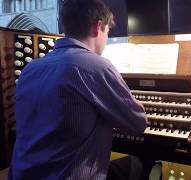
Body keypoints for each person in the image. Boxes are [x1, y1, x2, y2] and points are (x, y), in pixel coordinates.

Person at [8, 0, 148, 179]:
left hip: (24, 175)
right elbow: (137, 124)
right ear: (98, 27)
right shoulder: (96, 66)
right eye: (107, 31)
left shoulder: (31, 68)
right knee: (142, 162)